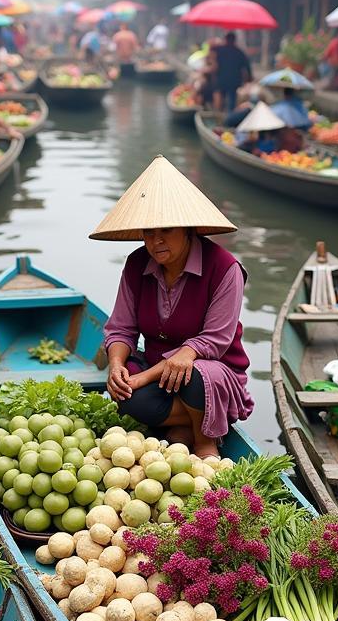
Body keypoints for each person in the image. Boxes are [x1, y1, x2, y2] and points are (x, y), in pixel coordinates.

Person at [95, 155, 254, 458]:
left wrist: (162, 367)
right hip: (159, 375)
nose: (156, 242)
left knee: (194, 375)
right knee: (128, 394)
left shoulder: (224, 268)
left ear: (188, 229)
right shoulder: (136, 264)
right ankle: (186, 423)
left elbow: (216, 340)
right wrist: (116, 366)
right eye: (148, 233)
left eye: (166, 230)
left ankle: (204, 438)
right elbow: (121, 328)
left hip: (214, 372)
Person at [212, 32, 251, 113]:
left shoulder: (220, 49)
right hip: (234, 80)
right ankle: (229, 116)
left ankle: (219, 116)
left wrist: (215, 43)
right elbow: (247, 67)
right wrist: (249, 78)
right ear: (234, 40)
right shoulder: (239, 52)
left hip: (222, 79)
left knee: (221, 99)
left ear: (225, 39)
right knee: (231, 100)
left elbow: (212, 49)